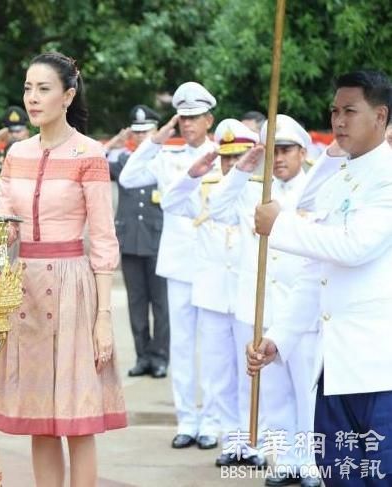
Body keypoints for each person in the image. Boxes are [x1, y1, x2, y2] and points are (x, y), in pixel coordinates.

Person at [248, 70, 392, 486]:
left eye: (350, 110)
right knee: (338, 473)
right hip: (336, 366)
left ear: (381, 116)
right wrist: (281, 336)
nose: (338, 121)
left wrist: (281, 225)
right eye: (334, 111)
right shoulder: (339, 177)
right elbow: (316, 273)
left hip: (380, 366)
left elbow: (355, 246)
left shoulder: (387, 175)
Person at [0, 52, 127, 487]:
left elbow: (104, 240)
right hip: (24, 290)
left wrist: (103, 318)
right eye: (28, 88)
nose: (32, 98)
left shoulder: (90, 154)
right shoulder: (16, 153)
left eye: (43, 89)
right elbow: (4, 226)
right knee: (40, 418)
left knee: (77, 418)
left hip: (73, 289)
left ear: (68, 95)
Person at [207, 116, 321, 485]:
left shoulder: (318, 190)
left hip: (301, 311)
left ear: (303, 152)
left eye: (286, 150)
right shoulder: (254, 189)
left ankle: (310, 463)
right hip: (260, 307)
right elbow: (217, 208)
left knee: (306, 391)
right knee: (273, 393)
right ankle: (286, 459)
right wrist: (241, 169)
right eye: (273, 150)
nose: (280, 157)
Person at [119, 81, 219, 450]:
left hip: (212, 264)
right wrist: (157, 139)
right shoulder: (166, 156)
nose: (189, 124)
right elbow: (129, 178)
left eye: (195, 117)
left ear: (209, 119)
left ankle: (211, 421)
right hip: (178, 263)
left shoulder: (224, 155)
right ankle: (187, 421)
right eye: (183, 118)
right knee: (181, 345)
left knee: (211, 347)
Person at [161, 119, 262, 459]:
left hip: (248, 295)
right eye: (227, 158)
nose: (232, 165)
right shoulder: (205, 188)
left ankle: (255, 441)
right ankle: (232, 441)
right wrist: (192, 174)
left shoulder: (263, 191)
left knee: (250, 373)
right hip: (214, 295)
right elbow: (170, 204)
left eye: (240, 157)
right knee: (219, 374)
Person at [105, 104, 170, 378]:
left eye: (147, 132)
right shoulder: (123, 162)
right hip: (131, 240)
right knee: (136, 303)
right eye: (138, 132)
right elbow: (92, 162)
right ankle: (142, 356)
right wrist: (115, 142)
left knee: (161, 304)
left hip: (159, 241)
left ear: (157, 132)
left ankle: (160, 357)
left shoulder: (167, 161)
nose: (142, 137)